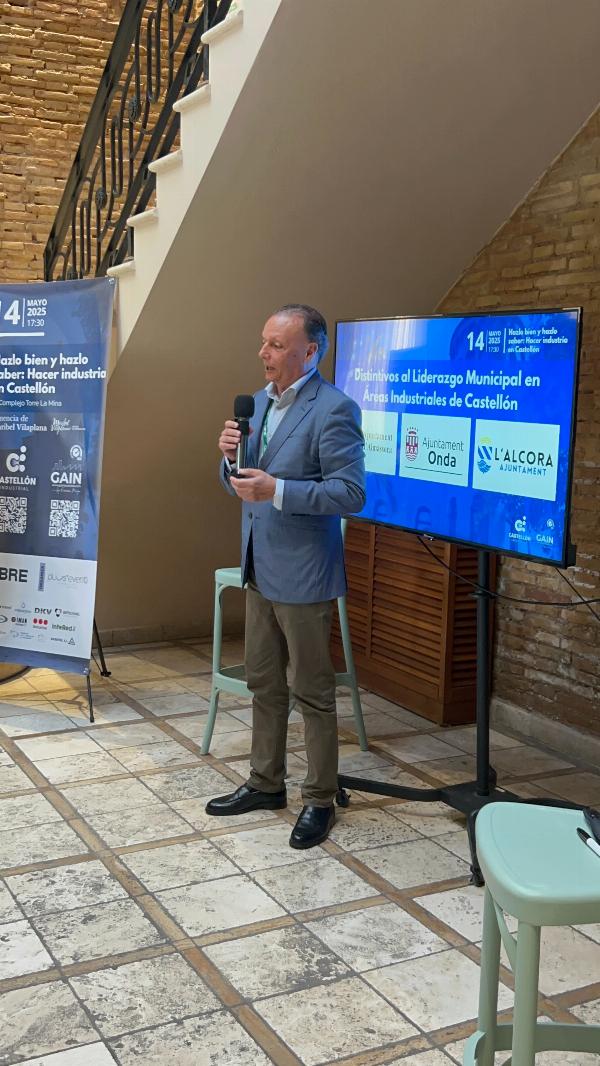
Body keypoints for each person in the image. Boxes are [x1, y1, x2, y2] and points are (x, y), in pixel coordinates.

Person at [205, 304, 366, 848]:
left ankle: (319, 799)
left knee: (313, 693)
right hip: (259, 567)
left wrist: (278, 490)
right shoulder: (256, 404)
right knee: (265, 684)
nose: (263, 353)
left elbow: (350, 494)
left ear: (310, 351)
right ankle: (265, 783)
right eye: (264, 342)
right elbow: (241, 483)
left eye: (276, 345)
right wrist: (228, 460)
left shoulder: (334, 409)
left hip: (305, 575)